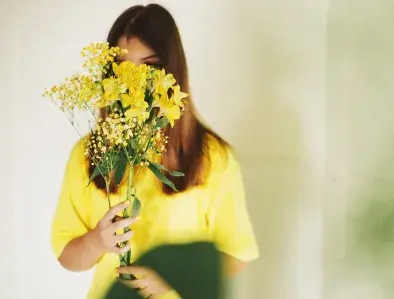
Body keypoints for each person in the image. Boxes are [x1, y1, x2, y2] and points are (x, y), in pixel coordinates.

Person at [50, 4, 259, 299]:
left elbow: (237, 253)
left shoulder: (213, 157)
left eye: (151, 67)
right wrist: (97, 241)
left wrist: (174, 281)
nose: (135, 82)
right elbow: (67, 257)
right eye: (123, 68)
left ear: (172, 71)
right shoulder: (88, 154)